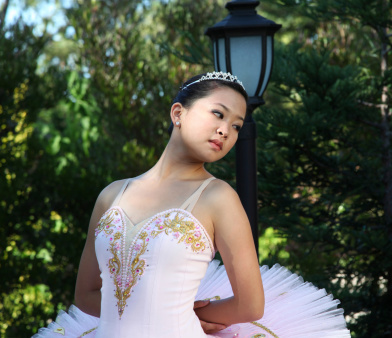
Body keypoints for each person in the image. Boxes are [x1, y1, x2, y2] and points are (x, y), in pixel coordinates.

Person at [34, 72, 350, 338]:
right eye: (218, 113)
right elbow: (85, 295)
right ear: (178, 114)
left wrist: (192, 314)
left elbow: (251, 305)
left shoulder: (218, 197)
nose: (226, 130)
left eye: (237, 125)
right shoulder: (111, 196)